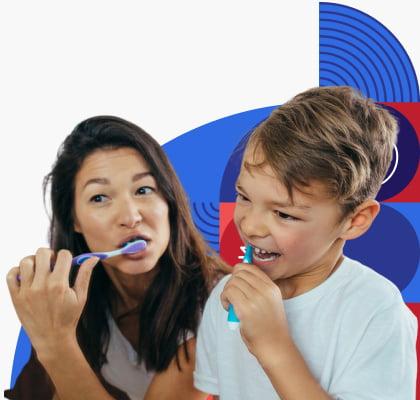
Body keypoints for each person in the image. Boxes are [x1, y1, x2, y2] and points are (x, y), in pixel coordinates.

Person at [193, 86, 418, 399]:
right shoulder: (227, 296)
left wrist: (274, 347)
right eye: (244, 197)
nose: (251, 226)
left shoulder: (376, 312)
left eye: (284, 214)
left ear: (355, 220)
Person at [6, 116, 225, 400]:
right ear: (74, 219)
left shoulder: (223, 305)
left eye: (144, 190)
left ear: (169, 200)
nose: (130, 217)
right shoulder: (68, 306)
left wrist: (55, 344)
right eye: (99, 198)